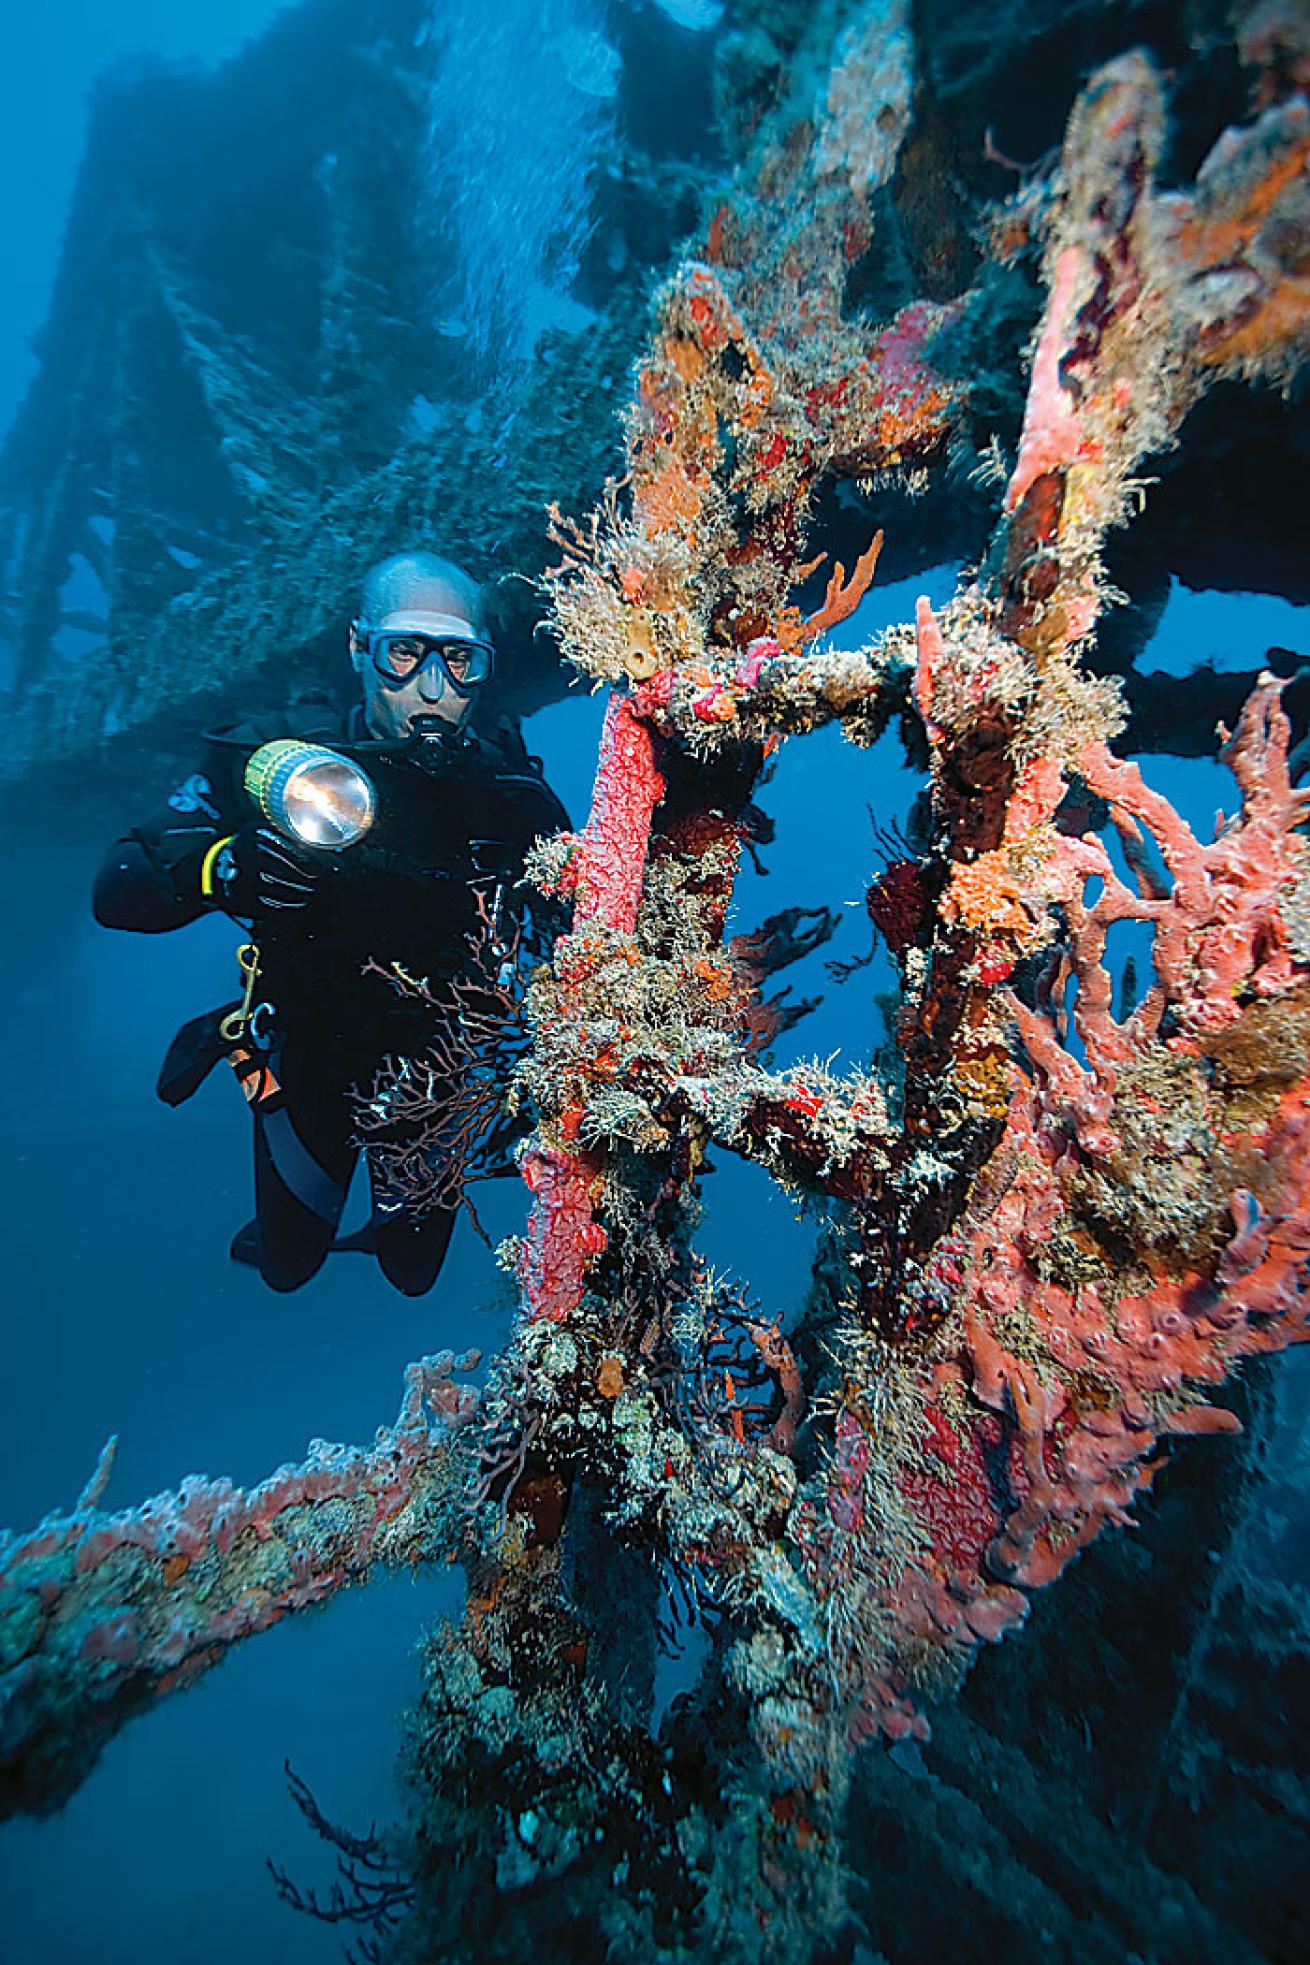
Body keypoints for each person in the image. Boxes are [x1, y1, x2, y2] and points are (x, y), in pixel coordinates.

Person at [93, 551, 569, 1295]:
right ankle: (292, 1210)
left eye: (460, 662)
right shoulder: (281, 759)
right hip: (308, 1050)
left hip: (434, 1070)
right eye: (404, 654)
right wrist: (224, 866)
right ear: (359, 648)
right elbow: (115, 889)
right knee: (288, 1265)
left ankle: (375, 1227)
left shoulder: (508, 793)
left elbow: (574, 920)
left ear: (488, 666)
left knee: (414, 1273)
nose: (432, 690)